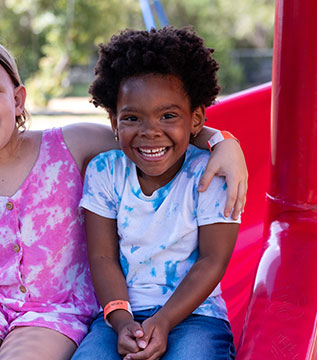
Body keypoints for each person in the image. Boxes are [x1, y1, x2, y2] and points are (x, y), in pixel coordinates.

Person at [0, 29, 246, 360]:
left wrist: (223, 142)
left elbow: (148, 134)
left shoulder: (70, 145)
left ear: (18, 99)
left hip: (57, 311)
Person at [72, 26, 240, 360]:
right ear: (113, 121)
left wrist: (162, 322)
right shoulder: (105, 172)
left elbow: (213, 260)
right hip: (119, 315)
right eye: (132, 117)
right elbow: (103, 258)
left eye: (167, 116)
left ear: (195, 120)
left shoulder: (211, 173)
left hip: (197, 316)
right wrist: (122, 323)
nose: (150, 131)